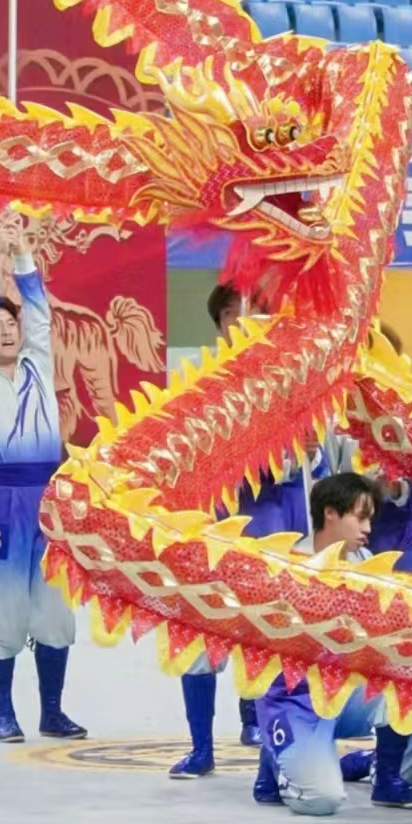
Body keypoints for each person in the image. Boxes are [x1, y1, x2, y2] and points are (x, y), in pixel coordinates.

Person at [169, 282, 307, 776]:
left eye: (257, 313)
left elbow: (301, 462)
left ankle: (257, 721)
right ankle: (201, 747)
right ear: (219, 324)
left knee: (267, 632)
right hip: (211, 526)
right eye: (234, 314)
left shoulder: (289, 380)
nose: (246, 321)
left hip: (270, 519)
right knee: (198, 635)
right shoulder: (198, 381)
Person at [0, 244, 84, 745]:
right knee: (4, 611)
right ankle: (4, 715)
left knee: (55, 612)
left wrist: (25, 259)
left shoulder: (37, 365)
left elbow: (41, 314)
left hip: (51, 502)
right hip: (6, 504)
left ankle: (53, 712)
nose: (7, 331)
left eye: (12, 324)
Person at [252, 472, 412, 815]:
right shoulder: (287, 565)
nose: (368, 529)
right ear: (330, 513)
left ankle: (386, 777)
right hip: (297, 697)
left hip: (346, 689)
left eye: (370, 519)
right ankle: (276, 763)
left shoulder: (367, 564)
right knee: (322, 801)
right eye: (360, 517)